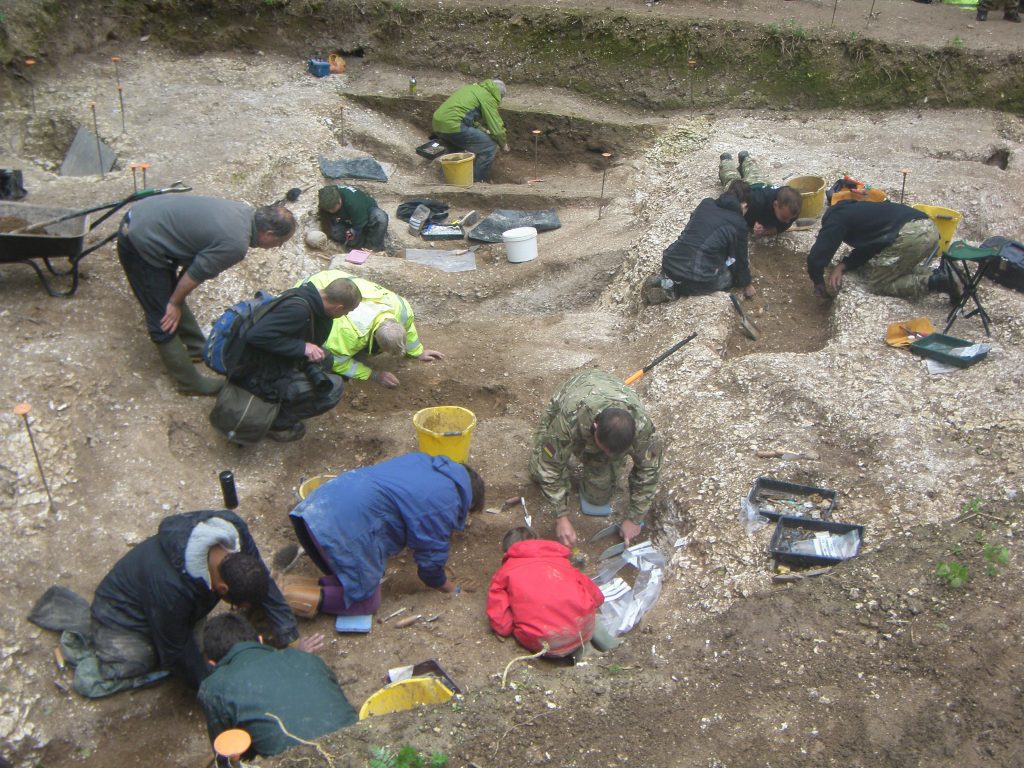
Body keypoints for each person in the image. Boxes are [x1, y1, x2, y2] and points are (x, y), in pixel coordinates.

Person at [29, 510, 299, 698]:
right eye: (235, 604)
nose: (237, 610)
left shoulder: (232, 530)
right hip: (123, 616)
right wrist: (217, 688)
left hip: (165, 603)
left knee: (200, 647)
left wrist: (289, 634)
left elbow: (259, 576)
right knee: (143, 660)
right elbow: (176, 649)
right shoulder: (171, 588)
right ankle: (98, 641)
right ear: (222, 589)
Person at [116, 195, 295, 395]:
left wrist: (175, 297)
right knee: (161, 314)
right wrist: (174, 302)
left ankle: (196, 348)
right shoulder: (235, 244)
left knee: (172, 294)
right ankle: (189, 383)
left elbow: (194, 263)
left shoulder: (243, 213)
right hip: (139, 239)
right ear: (268, 234)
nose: (277, 247)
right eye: (280, 242)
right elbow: (195, 273)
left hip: (147, 217)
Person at [286, 453, 485, 617]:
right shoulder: (447, 502)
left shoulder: (425, 461)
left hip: (317, 506)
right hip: (340, 527)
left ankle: (290, 583)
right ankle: (286, 597)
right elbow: (430, 566)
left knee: (361, 576)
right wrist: (452, 590)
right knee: (365, 603)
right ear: (471, 502)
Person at [529, 370, 662, 549]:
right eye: (604, 449)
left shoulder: (644, 429)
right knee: (538, 469)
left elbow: (649, 472)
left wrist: (635, 519)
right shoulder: (568, 418)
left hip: (610, 398)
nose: (608, 456)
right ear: (595, 427)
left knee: (598, 495)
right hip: (576, 392)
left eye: (614, 454)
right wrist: (561, 516)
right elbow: (548, 467)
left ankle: (601, 461)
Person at [197, 614, 357, 759]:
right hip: (360, 748)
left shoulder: (214, 688)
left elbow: (231, 755)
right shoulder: (306, 658)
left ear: (213, 664)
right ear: (260, 640)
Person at [230, 277, 361, 442]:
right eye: (346, 312)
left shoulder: (308, 294)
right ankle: (277, 424)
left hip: (267, 357)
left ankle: (295, 396)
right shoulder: (298, 311)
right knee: (334, 389)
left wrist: (305, 348)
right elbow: (256, 336)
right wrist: (302, 348)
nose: (345, 315)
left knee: (325, 358)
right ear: (338, 307)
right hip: (254, 371)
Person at [487, 527, 617, 659]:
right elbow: (597, 597)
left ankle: (580, 654)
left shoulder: (503, 573)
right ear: (538, 543)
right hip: (583, 628)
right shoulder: (561, 562)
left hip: (544, 641)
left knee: (558, 633)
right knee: (589, 618)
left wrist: (511, 627)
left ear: (507, 550)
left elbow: (501, 622)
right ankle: (611, 648)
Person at [299, 269, 444, 388]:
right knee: (327, 356)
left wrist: (417, 352)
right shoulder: (349, 334)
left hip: (340, 282)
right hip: (313, 289)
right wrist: (373, 375)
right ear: (375, 339)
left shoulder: (402, 310)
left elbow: (409, 329)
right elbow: (339, 361)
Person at [806, 199, 960, 302]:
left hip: (911, 235)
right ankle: (945, 275)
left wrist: (818, 282)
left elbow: (817, 256)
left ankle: (936, 282)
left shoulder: (836, 221)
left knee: (879, 283)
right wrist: (843, 265)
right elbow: (869, 248)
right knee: (895, 267)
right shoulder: (857, 211)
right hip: (929, 228)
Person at [643, 181, 755, 304]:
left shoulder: (706, 203)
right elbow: (740, 260)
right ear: (744, 205)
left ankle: (664, 280)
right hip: (695, 276)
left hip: (670, 261)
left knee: (694, 260)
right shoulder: (739, 224)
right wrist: (746, 284)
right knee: (728, 278)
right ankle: (672, 290)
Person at [431, 79, 509, 182]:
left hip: (438, 123)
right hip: (453, 125)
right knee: (489, 147)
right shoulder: (488, 97)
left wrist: (482, 130)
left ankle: (445, 178)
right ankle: (478, 182)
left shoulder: (472, 89)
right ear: (499, 94)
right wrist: (503, 144)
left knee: (455, 149)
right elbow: (497, 129)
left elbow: (465, 115)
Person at [718, 151, 803, 237]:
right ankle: (727, 161)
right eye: (784, 217)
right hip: (747, 191)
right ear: (775, 204)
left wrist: (764, 231)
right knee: (731, 179)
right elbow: (734, 213)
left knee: (754, 172)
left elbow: (782, 227)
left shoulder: (792, 212)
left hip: (762, 183)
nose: (787, 221)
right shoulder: (756, 202)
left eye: (790, 219)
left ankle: (745, 158)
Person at [317, 185, 389, 251]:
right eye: (328, 210)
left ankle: (372, 248)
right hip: (349, 220)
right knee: (334, 231)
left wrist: (355, 231)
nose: (331, 211)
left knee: (380, 218)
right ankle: (359, 243)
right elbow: (326, 222)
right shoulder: (325, 200)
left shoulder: (353, 202)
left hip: (367, 215)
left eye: (333, 209)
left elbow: (359, 223)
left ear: (339, 201)